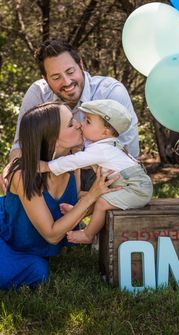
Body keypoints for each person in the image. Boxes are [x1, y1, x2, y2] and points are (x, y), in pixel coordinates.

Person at [0, 101, 119, 290]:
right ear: (52, 139)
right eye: (71, 123)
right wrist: (92, 196)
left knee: (38, 268)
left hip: (36, 248)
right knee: (37, 272)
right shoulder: (23, 175)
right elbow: (52, 235)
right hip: (8, 241)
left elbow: (76, 195)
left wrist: (108, 194)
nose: (80, 124)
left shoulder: (73, 162)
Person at [0, 38, 140, 194]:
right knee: (23, 176)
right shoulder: (38, 93)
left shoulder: (110, 92)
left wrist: (76, 158)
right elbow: (21, 143)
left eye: (70, 72)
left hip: (103, 171)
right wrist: (14, 166)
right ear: (45, 79)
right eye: (56, 77)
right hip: (53, 170)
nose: (67, 82)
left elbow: (128, 152)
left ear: (81, 65)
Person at [40, 99, 153, 244]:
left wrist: (47, 166)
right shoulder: (106, 144)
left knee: (102, 202)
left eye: (88, 121)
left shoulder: (101, 149)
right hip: (132, 186)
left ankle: (88, 234)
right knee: (104, 197)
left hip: (136, 189)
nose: (81, 124)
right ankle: (79, 213)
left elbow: (75, 160)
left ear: (105, 132)